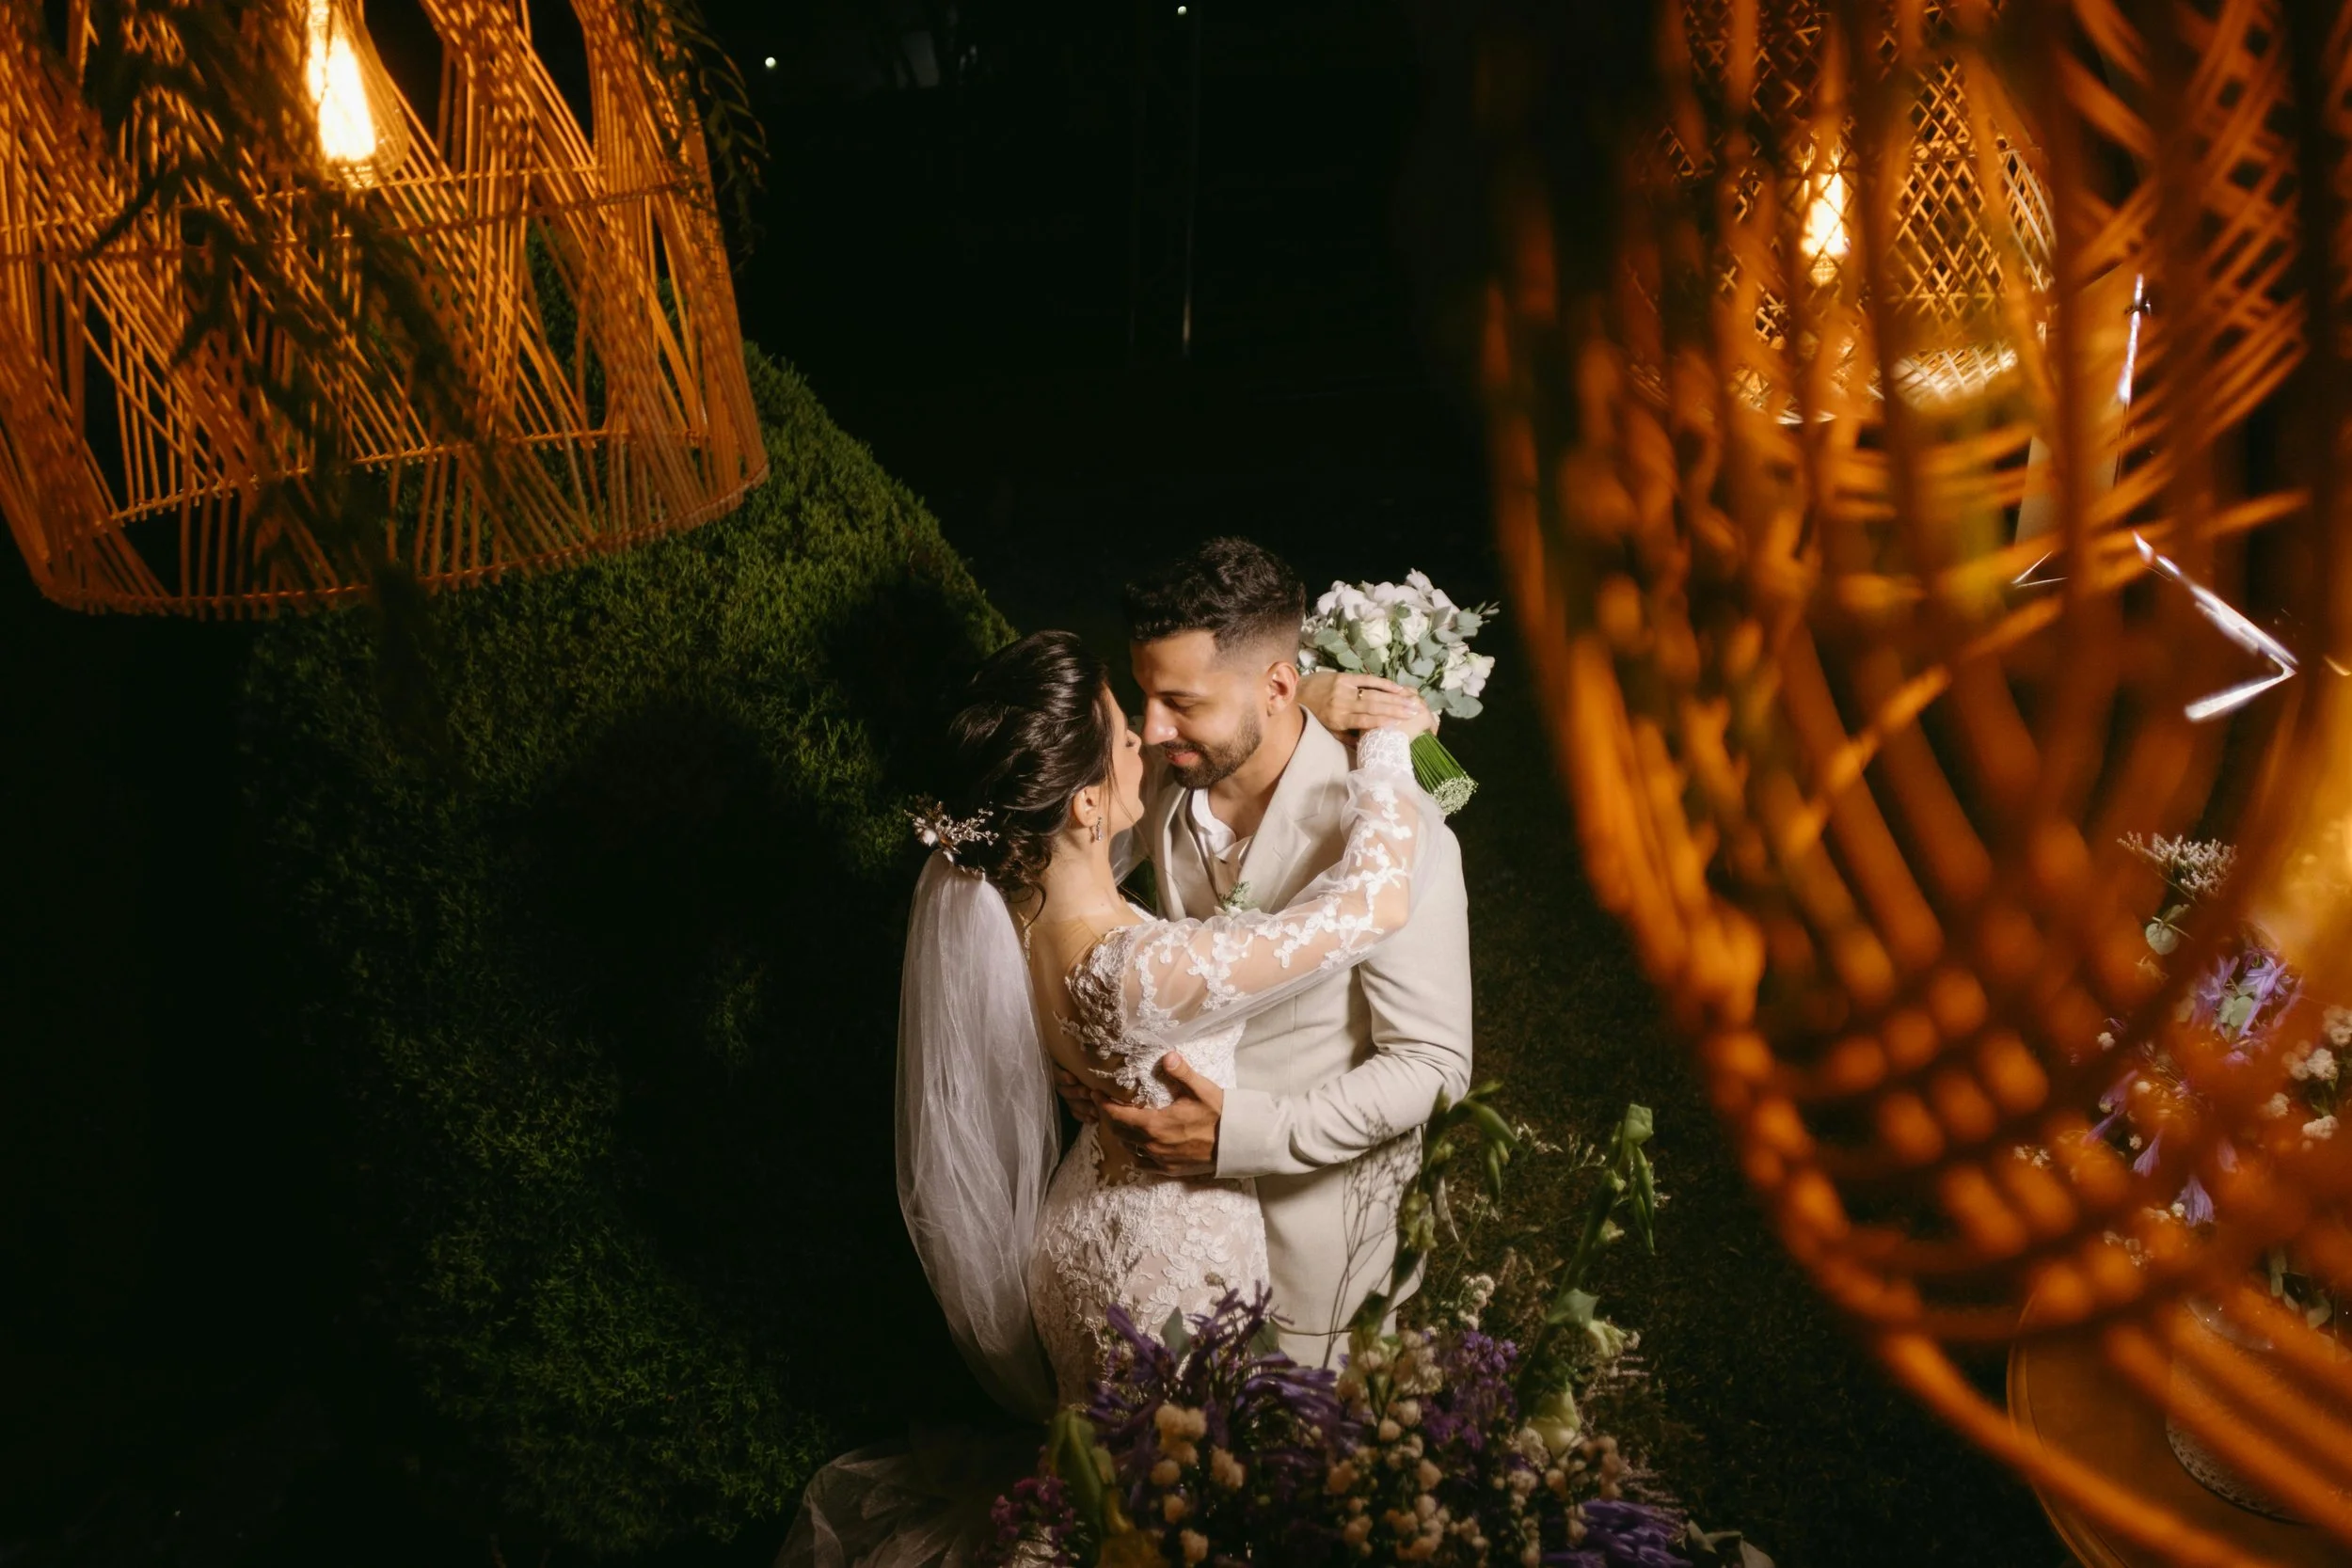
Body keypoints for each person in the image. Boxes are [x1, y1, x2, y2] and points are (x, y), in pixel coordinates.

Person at [907, 628, 1431, 1404]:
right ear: (1086, 802)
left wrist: (1295, 704)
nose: (1145, 740)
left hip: (1075, 1233)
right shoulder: (1142, 972)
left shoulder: (1010, 900)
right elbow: (1375, 901)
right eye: (1123, 733)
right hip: (1166, 1269)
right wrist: (1390, 748)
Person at [1080, 536, 1476, 1365]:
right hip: (1159, 1232)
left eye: (1182, 702)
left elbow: (1435, 1063)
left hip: (1312, 1244)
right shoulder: (1162, 773)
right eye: (1145, 696)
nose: (1152, 730)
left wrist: (1243, 1137)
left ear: (1278, 686)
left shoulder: (1395, 834)